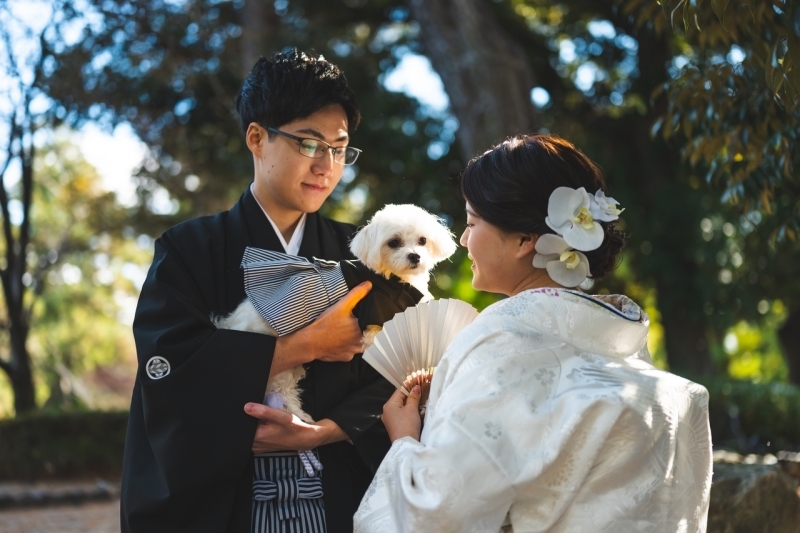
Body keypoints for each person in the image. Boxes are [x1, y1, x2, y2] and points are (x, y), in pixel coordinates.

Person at [354, 134, 713, 533]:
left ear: (525, 240)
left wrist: (405, 440)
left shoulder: (500, 344)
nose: (465, 239)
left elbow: (437, 514)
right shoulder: (625, 347)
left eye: (472, 223)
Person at [121, 50, 395, 533]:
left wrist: (323, 432)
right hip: (227, 508)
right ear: (256, 138)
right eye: (309, 144)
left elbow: (401, 374)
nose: (326, 166)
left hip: (342, 496)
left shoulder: (364, 251)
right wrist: (303, 346)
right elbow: (166, 371)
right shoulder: (189, 250)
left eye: (339, 149)